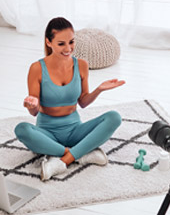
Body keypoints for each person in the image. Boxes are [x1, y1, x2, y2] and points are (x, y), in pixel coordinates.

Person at [14, 17, 125, 181]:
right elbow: (34, 112)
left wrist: (99, 89)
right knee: (21, 129)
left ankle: (63, 160)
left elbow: (83, 102)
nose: (68, 48)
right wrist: (31, 104)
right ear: (49, 42)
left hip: (74, 131)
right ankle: (81, 153)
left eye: (71, 42)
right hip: (47, 134)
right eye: (61, 44)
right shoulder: (37, 68)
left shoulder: (81, 65)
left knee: (114, 117)